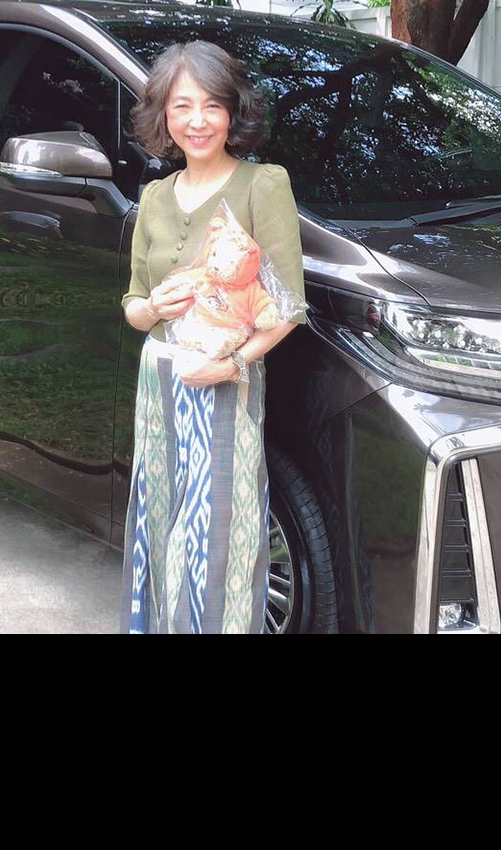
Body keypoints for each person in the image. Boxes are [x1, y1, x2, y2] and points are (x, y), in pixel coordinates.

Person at [118, 40, 306, 634]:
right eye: (182, 106)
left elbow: (289, 307)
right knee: (159, 522)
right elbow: (132, 305)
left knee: (217, 536)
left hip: (225, 383)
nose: (197, 121)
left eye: (211, 105)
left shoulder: (261, 185)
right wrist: (152, 307)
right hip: (159, 383)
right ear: (163, 115)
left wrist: (232, 365)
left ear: (232, 112)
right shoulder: (154, 196)